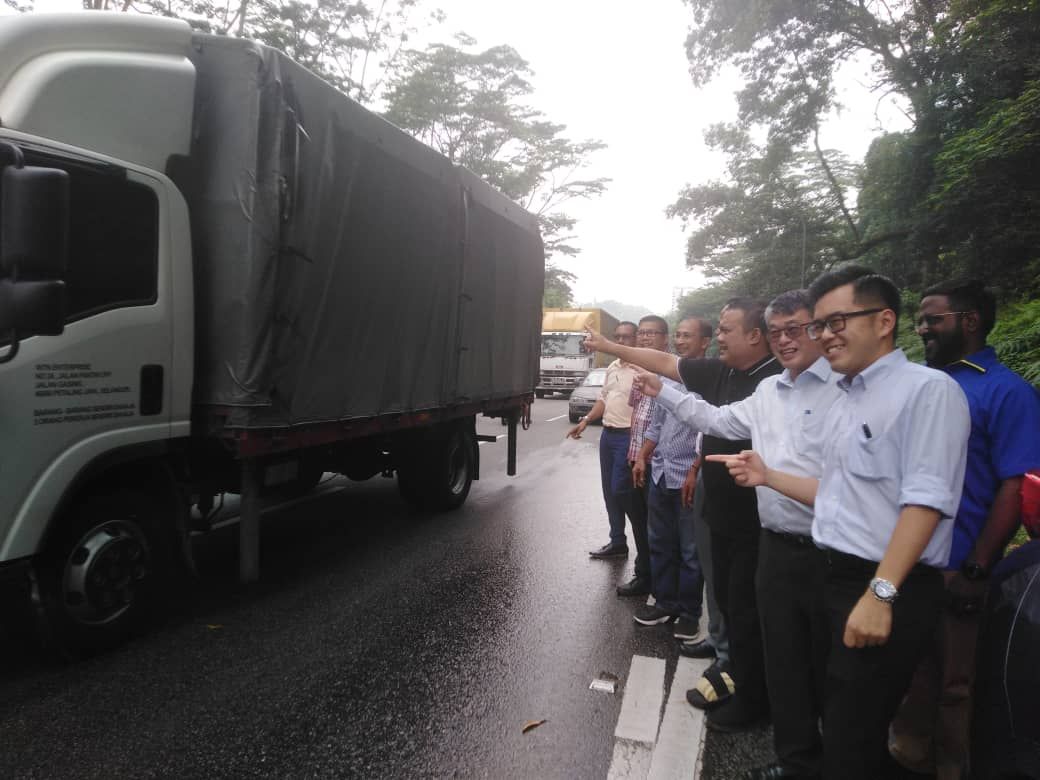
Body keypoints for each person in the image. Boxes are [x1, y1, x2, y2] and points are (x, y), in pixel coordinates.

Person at [708, 265, 971, 779]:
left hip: (884, 580)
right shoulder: (850, 397)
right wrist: (768, 476)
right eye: (820, 325)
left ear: (885, 321)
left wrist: (881, 593)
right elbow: (837, 496)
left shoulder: (927, 391)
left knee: (854, 731)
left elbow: (926, 501)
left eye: (836, 322)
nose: (824, 335)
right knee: (833, 709)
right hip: (834, 574)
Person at [636, 290, 841, 779]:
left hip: (830, 549)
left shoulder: (846, 390)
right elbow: (717, 420)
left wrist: (768, 477)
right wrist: (661, 391)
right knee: (773, 641)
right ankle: (788, 746)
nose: (786, 339)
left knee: (828, 663)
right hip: (773, 538)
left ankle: (831, 753)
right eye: (778, 331)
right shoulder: (770, 392)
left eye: (799, 328)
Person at [585, 298, 781, 733]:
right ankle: (725, 653)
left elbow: (711, 422)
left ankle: (741, 678)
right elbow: (707, 415)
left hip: (758, 508)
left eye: (727, 330)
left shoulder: (775, 382)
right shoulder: (726, 373)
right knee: (723, 585)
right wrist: (612, 348)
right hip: (719, 494)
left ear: (755, 335)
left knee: (741, 595)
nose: (721, 338)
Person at [888, 279, 1040, 780]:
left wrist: (977, 567)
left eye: (934, 319)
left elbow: (1014, 486)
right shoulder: (916, 383)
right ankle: (904, 756)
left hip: (959, 564)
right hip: (905, 559)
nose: (922, 328)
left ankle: (952, 768)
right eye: (921, 320)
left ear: (969, 321)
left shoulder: (1006, 391)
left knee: (956, 680)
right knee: (908, 671)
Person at [630, 316, 711, 641]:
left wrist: (696, 469)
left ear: (705, 342)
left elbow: (714, 430)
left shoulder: (712, 380)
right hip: (661, 473)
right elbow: (657, 424)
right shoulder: (671, 378)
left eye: (687, 336)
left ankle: (689, 613)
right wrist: (642, 456)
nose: (680, 341)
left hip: (688, 477)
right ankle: (665, 602)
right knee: (660, 543)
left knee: (690, 552)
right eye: (677, 335)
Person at [568, 322, 639, 561]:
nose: (621, 341)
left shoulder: (642, 368)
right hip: (608, 436)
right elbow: (603, 399)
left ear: (636, 339)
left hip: (628, 436)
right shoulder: (612, 367)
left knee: (621, 489)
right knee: (609, 490)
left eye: (626, 337)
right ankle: (618, 541)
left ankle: (645, 533)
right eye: (617, 337)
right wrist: (586, 420)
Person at [615, 315, 671, 597]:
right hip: (635, 458)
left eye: (653, 333)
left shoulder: (672, 373)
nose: (646, 338)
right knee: (639, 520)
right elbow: (636, 414)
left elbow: (662, 423)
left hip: (657, 464)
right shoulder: (640, 371)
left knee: (659, 528)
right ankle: (645, 575)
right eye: (643, 333)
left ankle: (662, 588)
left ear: (666, 339)